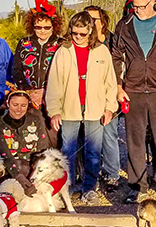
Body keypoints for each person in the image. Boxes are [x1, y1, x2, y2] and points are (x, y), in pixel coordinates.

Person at [46, 11, 119, 206]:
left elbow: (110, 82)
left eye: (82, 34)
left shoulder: (102, 51)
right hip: (69, 108)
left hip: (95, 107)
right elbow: (54, 83)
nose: (78, 37)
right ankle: (66, 189)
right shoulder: (63, 51)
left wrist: (110, 107)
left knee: (93, 151)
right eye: (74, 33)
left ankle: (89, 189)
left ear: (90, 31)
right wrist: (54, 110)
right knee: (68, 150)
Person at [112, 0, 156, 203]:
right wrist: (119, 87)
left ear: (152, 1)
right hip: (133, 89)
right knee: (135, 140)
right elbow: (116, 56)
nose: (137, 10)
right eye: (134, 6)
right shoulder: (124, 25)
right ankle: (138, 186)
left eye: (141, 6)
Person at [9, 0, 63, 129]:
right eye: (38, 27)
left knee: (53, 134)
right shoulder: (24, 43)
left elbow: (65, 73)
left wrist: (45, 91)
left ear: (53, 27)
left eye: (47, 27)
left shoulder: (61, 44)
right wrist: (29, 91)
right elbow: (16, 69)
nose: (42, 30)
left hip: (54, 98)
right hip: (28, 97)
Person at [87, 4, 125, 189]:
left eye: (93, 19)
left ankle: (112, 174)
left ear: (102, 21)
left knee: (110, 133)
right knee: (90, 136)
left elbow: (120, 66)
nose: (89, 22)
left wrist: (118, 89)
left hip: (111, 92)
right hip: (90, 94)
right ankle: (90, 174)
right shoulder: (83, 42)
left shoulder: (114, 41)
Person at [0, 89, 51, 197]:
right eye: (15, 105)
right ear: (8, 104)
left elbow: (43, 148)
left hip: (33, 168)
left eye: (23, 105)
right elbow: (5, 155)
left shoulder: (35, 120)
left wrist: (36, 174)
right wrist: (19, 177)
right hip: (8, 169)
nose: (19, 109)